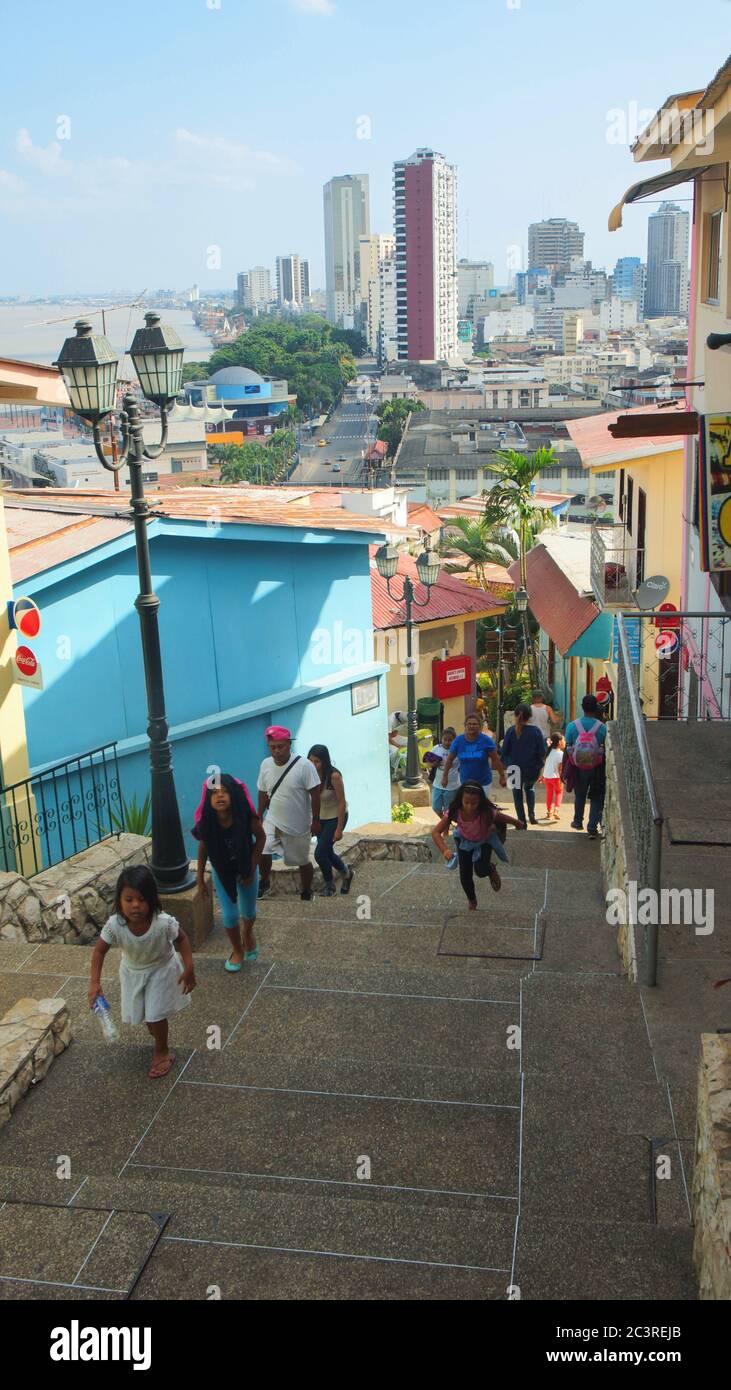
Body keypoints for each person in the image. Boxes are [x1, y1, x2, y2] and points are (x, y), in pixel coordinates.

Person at [88, 865, 196, 1079]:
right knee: (148, 1015)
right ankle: (157, 1033)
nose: (135, 905)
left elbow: (182, 939)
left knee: (156, 1015)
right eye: (129, 900)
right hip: (133, 972)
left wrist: (189, 968)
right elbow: (99, 952)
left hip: (161, 970)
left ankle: (162, 1050)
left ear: (152, 899)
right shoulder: (115, 925)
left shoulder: (162, 923)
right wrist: (94, 983)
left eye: (142, 899)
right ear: (119, 900)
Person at [192, 773, 266, 971]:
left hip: (246, 867)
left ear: (233, 794)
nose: (220, 796)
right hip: (222, 871)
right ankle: (237, 949)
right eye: (215, 793)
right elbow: (203, 848)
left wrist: (251, 868)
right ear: (209, 799)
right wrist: (200, 879)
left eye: (225, 791)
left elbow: (261, 838)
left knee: (249, 912)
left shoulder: (244, 816)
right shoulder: (207, 823)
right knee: (230, 916)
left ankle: (248, 934)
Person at [431, 781, 526, 911]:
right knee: (465, 875)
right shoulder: (455, 811)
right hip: (464, 841)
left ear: (480, 802)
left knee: (480, 870)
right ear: (460, 800)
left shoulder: (486, 811)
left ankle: (490, 869)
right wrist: (445, 850)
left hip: (484, 840)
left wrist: (517, 823)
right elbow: (436, 832)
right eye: (466, 803)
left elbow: (501, 817)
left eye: (474, 803)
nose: (470, 807)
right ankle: (472, 900)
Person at [257, 726, 321, 901]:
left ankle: (307, 890)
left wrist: (316, 821)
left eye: (280, 746)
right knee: (263, 848)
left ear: (289, 744)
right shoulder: (265, 765)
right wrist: (258, 815)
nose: (276, 751)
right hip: (273, 819)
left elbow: (315, 793)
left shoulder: (304, 766)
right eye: (273, 747)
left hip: (298, 823)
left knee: (300, 860)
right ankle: (264, 881)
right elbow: (262, 792)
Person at [308, 744, 354, 897]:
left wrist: (339, 828)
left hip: (336, 817)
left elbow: (341, 802)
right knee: (326, 851)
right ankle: (346, 874)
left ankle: (330, 884)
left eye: (317, 761)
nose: (314, 765)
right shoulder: (310, 776)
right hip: (320, 818)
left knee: (320, 853)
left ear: (324, 761)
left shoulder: (334, 776)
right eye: (311, 761)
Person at [565, 694, 607, 839]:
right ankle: (592, 826)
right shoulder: (602, 727)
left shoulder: (572, 725)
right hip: (597, 767)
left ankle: (577, 821)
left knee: (580, 794)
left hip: (578, 767)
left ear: (582, 707)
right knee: (596, 796)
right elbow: (605, 747)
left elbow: (568, 747)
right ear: (596, 708)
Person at [500, 704, 546, 827]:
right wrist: (539, 765)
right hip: (532, 768)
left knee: (517, 793)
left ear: (515, 715)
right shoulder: (536, 731)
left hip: (514, 767)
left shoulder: (510, 731)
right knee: (530, 788)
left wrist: (507, 764)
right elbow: (542, 752)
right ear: (530, 716)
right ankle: (532, 815)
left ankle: (521, 821)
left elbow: (504, 752)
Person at [440, 711, 507, 795]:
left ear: (479, 726)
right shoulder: (458, 741)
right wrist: (445, 776)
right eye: (469, 724)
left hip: (483, 783)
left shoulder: (486, 741)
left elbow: (496, 760)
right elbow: (449, 760)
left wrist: (502, 776)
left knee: (481, 807)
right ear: (465, 726)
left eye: (475, 724)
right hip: (464, 782)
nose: (472, 726)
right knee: (467, 806)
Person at [423, 726, 460, 816]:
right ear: (441, 739)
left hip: (452, 785)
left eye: (450, 740)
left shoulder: (457, 750)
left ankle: (446, 825)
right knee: (435, 807)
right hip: (437, 784)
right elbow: (428, 763)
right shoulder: (436, 748)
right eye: (445, 739)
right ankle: (443, 821)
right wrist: (433, 764)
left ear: (454, 740)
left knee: (449, 809)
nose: (447, 742)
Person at [541, 733, 565, 821]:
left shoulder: (548, 752)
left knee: (549, 794)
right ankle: (556, 809)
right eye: (563, 740)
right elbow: (561, 768)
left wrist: (542, 776)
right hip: (556, 777)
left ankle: (549, 812)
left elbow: (545, 765)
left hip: (547, 777)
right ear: (559, 742)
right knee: (559, 792)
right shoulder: (561, 754)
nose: (564, 742)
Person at [388, 710, 408, 778]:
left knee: (408, 741)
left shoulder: (401, 714)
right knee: (395, 751)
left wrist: (395, 732)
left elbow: (395, 733)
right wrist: (398, 745)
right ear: (397, 719)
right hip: (386, 739)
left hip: (393, 736)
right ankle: (393, 769)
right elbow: (388, 737)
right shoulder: (390, 720)